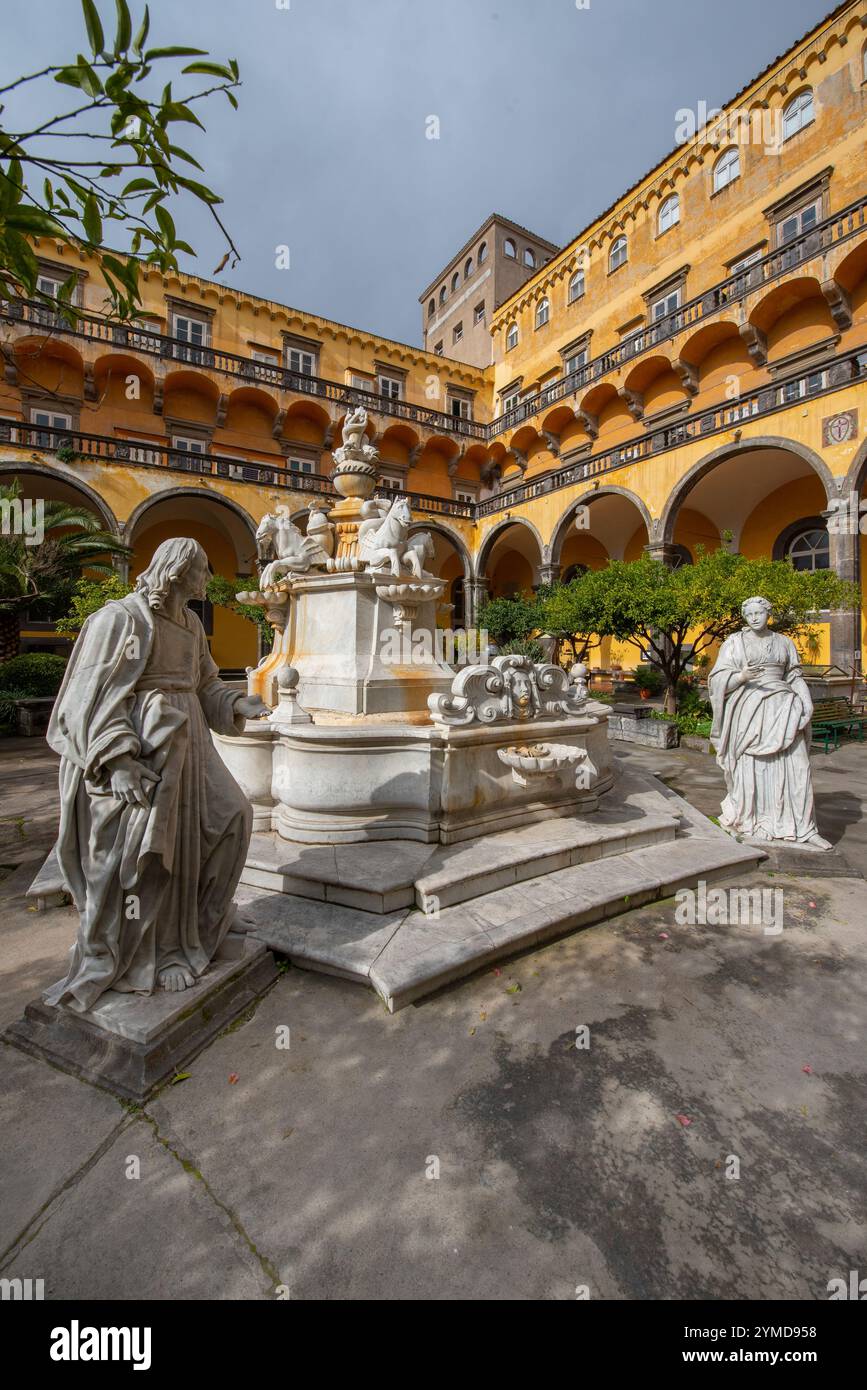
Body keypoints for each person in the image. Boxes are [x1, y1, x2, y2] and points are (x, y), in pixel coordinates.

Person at [45, 537, 270, 1011]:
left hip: (189, 744)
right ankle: (155, 953)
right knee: (147, 854)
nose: (209, 578)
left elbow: (206, 684)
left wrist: (236, 702)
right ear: (178, 570)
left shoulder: (189, 624)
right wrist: (118, 761)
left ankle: (203, 923)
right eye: (204, 569)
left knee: (232, 816)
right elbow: (89, 696)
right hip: (142, 748)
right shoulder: (121, 620)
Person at [708, 596, 830, 849]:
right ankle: (753, 820)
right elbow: (717, 681)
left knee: (798, 767)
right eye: (749, 614)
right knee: (753, 767)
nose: (754, 618)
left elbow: (795, 676)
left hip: (784, 708)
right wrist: (741, 676)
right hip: (749, 711)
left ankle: (804, 827)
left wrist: (807, 702)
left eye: (758, 613)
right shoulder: (734, 643)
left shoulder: (784, 642)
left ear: (768, 614)